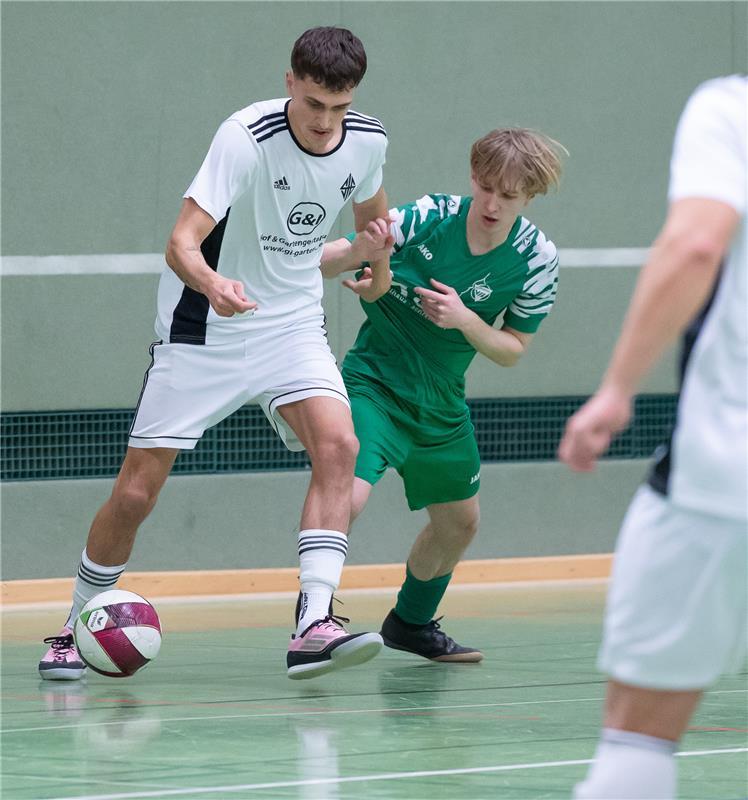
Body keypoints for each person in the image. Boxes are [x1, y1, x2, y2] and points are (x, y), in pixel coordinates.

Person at [39, 26, 394, 683]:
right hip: (205, 327)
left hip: (290, 325)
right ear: (290, 84)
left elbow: (369, 226)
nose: (325, 122)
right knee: (137, 492)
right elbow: (181, 241)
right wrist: (213, 284)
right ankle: (72, 627)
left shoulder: (368, 139)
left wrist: (376, 263)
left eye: (338, 108)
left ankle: (313, 622)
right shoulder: (245, 138)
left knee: (340, 447)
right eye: (314, 104)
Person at [558, 75, 747, 799]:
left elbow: (697, 243)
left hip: (722, 484)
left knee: (638, 736)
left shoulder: (730, 109)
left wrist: (616, 388)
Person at [321, 128, 566, 662]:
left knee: (460, 522)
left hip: (440, 404)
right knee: (350, 494)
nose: (494, 203)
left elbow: (512, 350)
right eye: (488, 188)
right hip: (375, 384)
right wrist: (359, 269)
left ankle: (409, 624)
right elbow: (368, 248)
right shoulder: (431, 215)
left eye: (510, 195)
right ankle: (313, 619)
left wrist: (465, 321)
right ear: (474, 179)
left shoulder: (536, 259)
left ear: (530, 197)